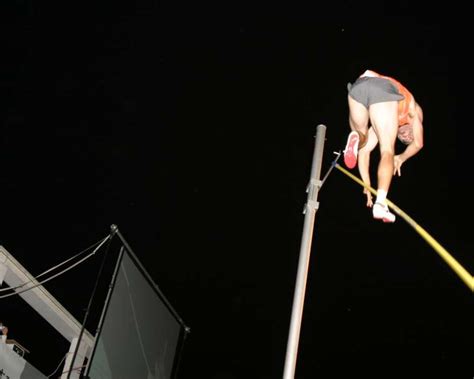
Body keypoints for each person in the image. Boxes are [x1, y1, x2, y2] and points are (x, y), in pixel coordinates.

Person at [343, 69, 424, 223]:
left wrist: (366, 182)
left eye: (403, 139)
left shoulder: (383, 119)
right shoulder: (414, 113)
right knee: (387, 149)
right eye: (409, 136)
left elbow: (365, 152)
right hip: (383, 88)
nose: (406, 136)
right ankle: (380, 203)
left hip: (358, 88)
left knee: (363, 140)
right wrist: (400, 157)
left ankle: (355, 137)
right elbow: (419, 143)